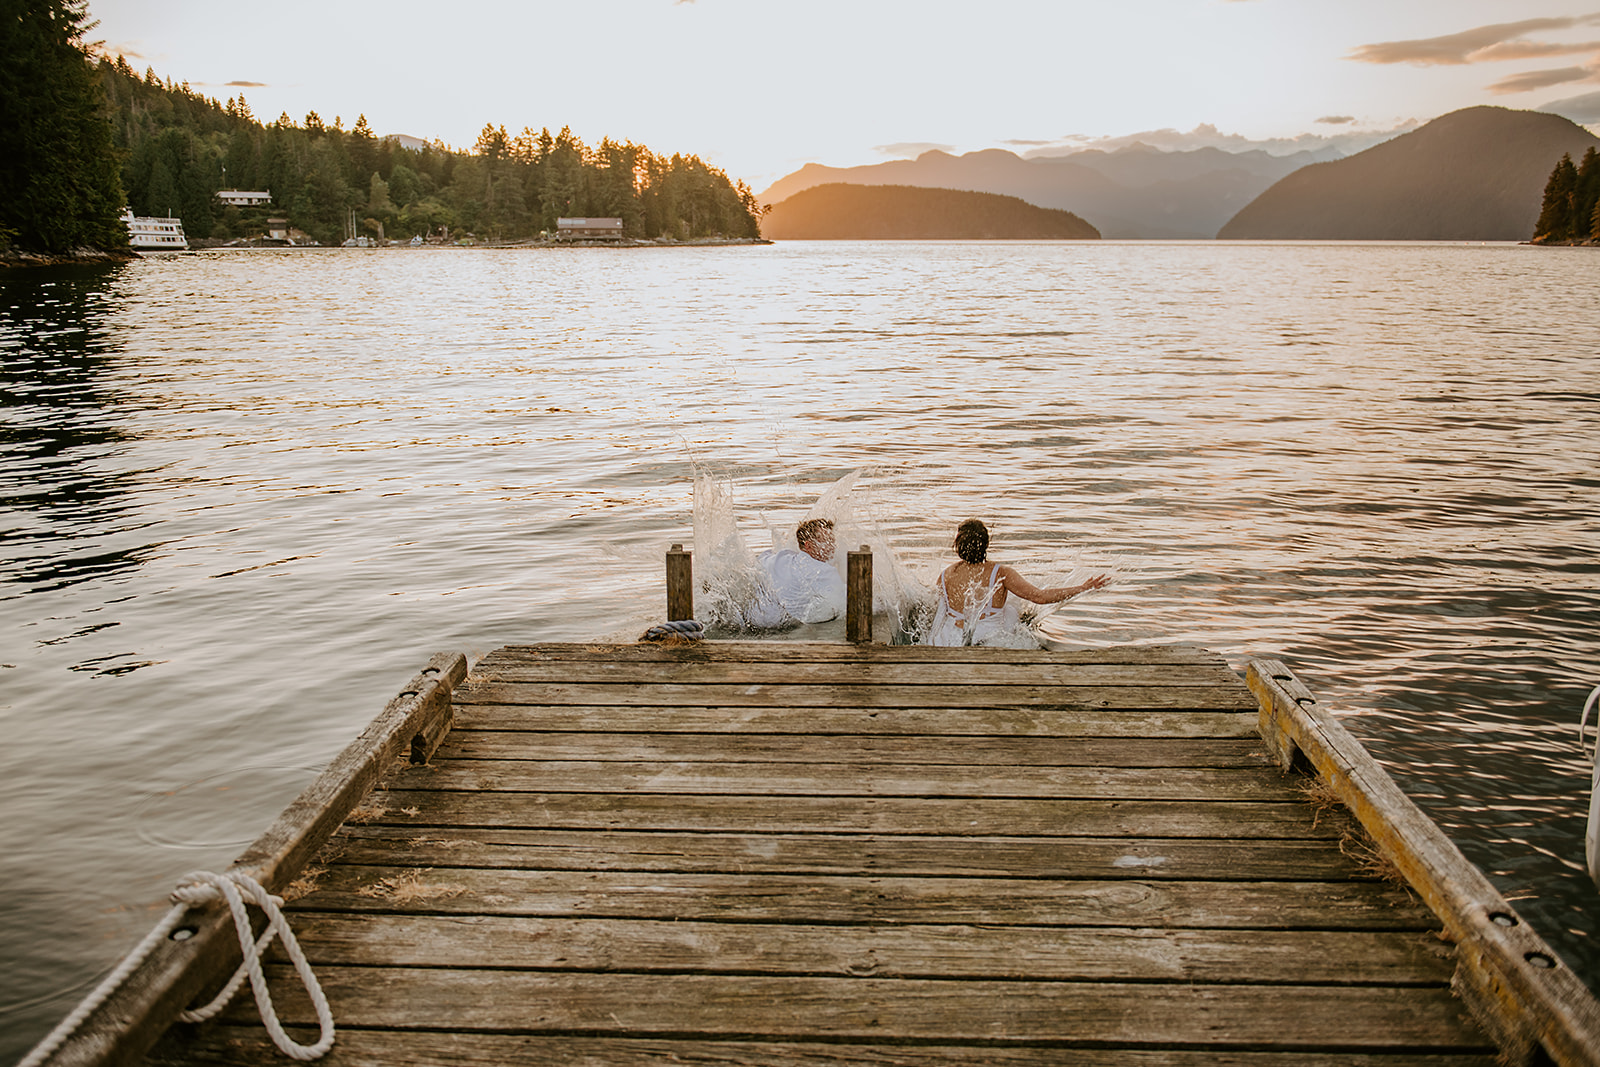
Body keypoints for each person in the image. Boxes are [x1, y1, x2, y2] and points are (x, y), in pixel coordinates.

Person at [923, 519, 1108, 647]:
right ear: (986, 544)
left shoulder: (945, 575)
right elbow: (1040, 597)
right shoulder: (1001, 573)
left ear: (958, 545)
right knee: (1011, 608)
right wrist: (1083, 588)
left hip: (950, 638)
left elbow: (936, 610)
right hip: (989, 638)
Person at [748, 517, 848, 627]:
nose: (832, 546)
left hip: (753, 619)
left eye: (832, 541)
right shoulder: (823, 571)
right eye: (827, 541)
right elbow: (844, 605)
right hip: (780, 628)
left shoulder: (780, 558)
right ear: (808, 545)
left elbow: (757, 563)